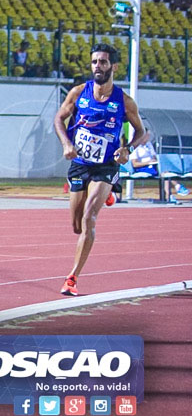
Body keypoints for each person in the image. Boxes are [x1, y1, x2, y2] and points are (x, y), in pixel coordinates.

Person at [53, 44, 147, 297]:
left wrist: (128, 149)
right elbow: (58, 118)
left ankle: (72, 277)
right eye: (95, 62)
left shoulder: (124, 102)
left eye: (103, 62)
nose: (98, 66)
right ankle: (108, 195)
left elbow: (142, 132)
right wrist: (66, 143)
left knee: (88, 219)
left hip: (106, 165)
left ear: (113, 67)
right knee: (76, 225)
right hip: (80, 164)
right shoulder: (78, 93)